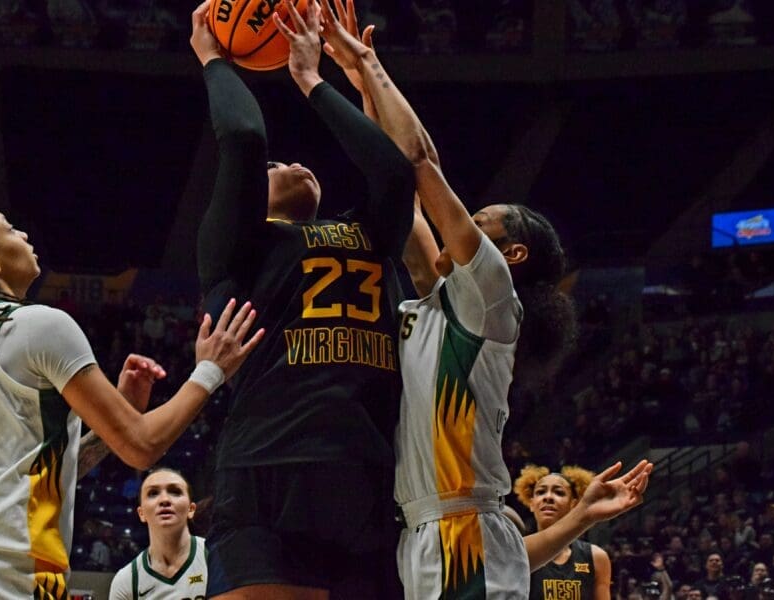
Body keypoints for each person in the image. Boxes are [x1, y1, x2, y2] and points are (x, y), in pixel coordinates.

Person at [315, 1, 651, 597]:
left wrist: (369, 63)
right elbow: (400, 190)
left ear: (511, 254)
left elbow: (420, 163)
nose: (466, 219)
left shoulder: (493, 292)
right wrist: (362, 89)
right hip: (431, 530)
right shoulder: (449, 300)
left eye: (481, 220)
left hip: (462, 531)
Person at [0, 204, 263, 600]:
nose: (24, 234)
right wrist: (209, 371)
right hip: (0, 572)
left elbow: (38, 469)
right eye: (10, 229)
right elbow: (142, 446)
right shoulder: (40, 324)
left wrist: (116, 415)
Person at [189, 1, 415, 598]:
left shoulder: (368, 232)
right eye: (275, 166)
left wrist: (314, 80)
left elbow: (396, 173)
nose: (290, 161)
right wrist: (214, 59)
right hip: (269, 466)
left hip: (365, 471)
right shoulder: (238, 247)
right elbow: (243, 136)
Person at [514, 465, 614, 600]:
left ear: (574, 504)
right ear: (531, 503)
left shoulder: (596, 557)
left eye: (559, 492)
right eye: (541, 492)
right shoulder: (518, 553)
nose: (548, 497)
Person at [109, 468, 207, 600]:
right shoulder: (126, 581)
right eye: (153, 493)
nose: (164, 499)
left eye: (175, 492)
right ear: (141, 513)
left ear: (191, 509)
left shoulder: (214, 557)